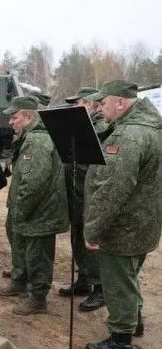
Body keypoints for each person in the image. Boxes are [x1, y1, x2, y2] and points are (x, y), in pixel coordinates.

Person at [83, 80, 160, 349]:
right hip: (144, 223)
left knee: (118, 281)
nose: (99, 109)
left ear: (120, 103)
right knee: (130, 276)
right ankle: (133, 323)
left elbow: (113, 189)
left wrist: (92, 229)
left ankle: (120, 341)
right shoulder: (151, 127)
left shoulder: (129, 135)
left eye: (103, 103)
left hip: (123, 227)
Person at [0, 97, 69, 314]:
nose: (10, 122)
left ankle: (38, 298)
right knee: (23, 247)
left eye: (14, 117)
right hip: (31, 208)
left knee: (38, 255)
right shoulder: (28, 137)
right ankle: (19, 282)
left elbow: (34, 182)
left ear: (28, 117)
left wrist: (21, 209)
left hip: (40, 211)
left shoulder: (37, 141)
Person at [57, 87, 111, 312]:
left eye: (77, 103)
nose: (72, 108)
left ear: (91, 104)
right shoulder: (82, 127)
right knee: (77, 238)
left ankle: (99, 288)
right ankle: (84, 280)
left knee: (91, 242)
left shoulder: (102, 128)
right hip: (76, 193)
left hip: (90, 195)